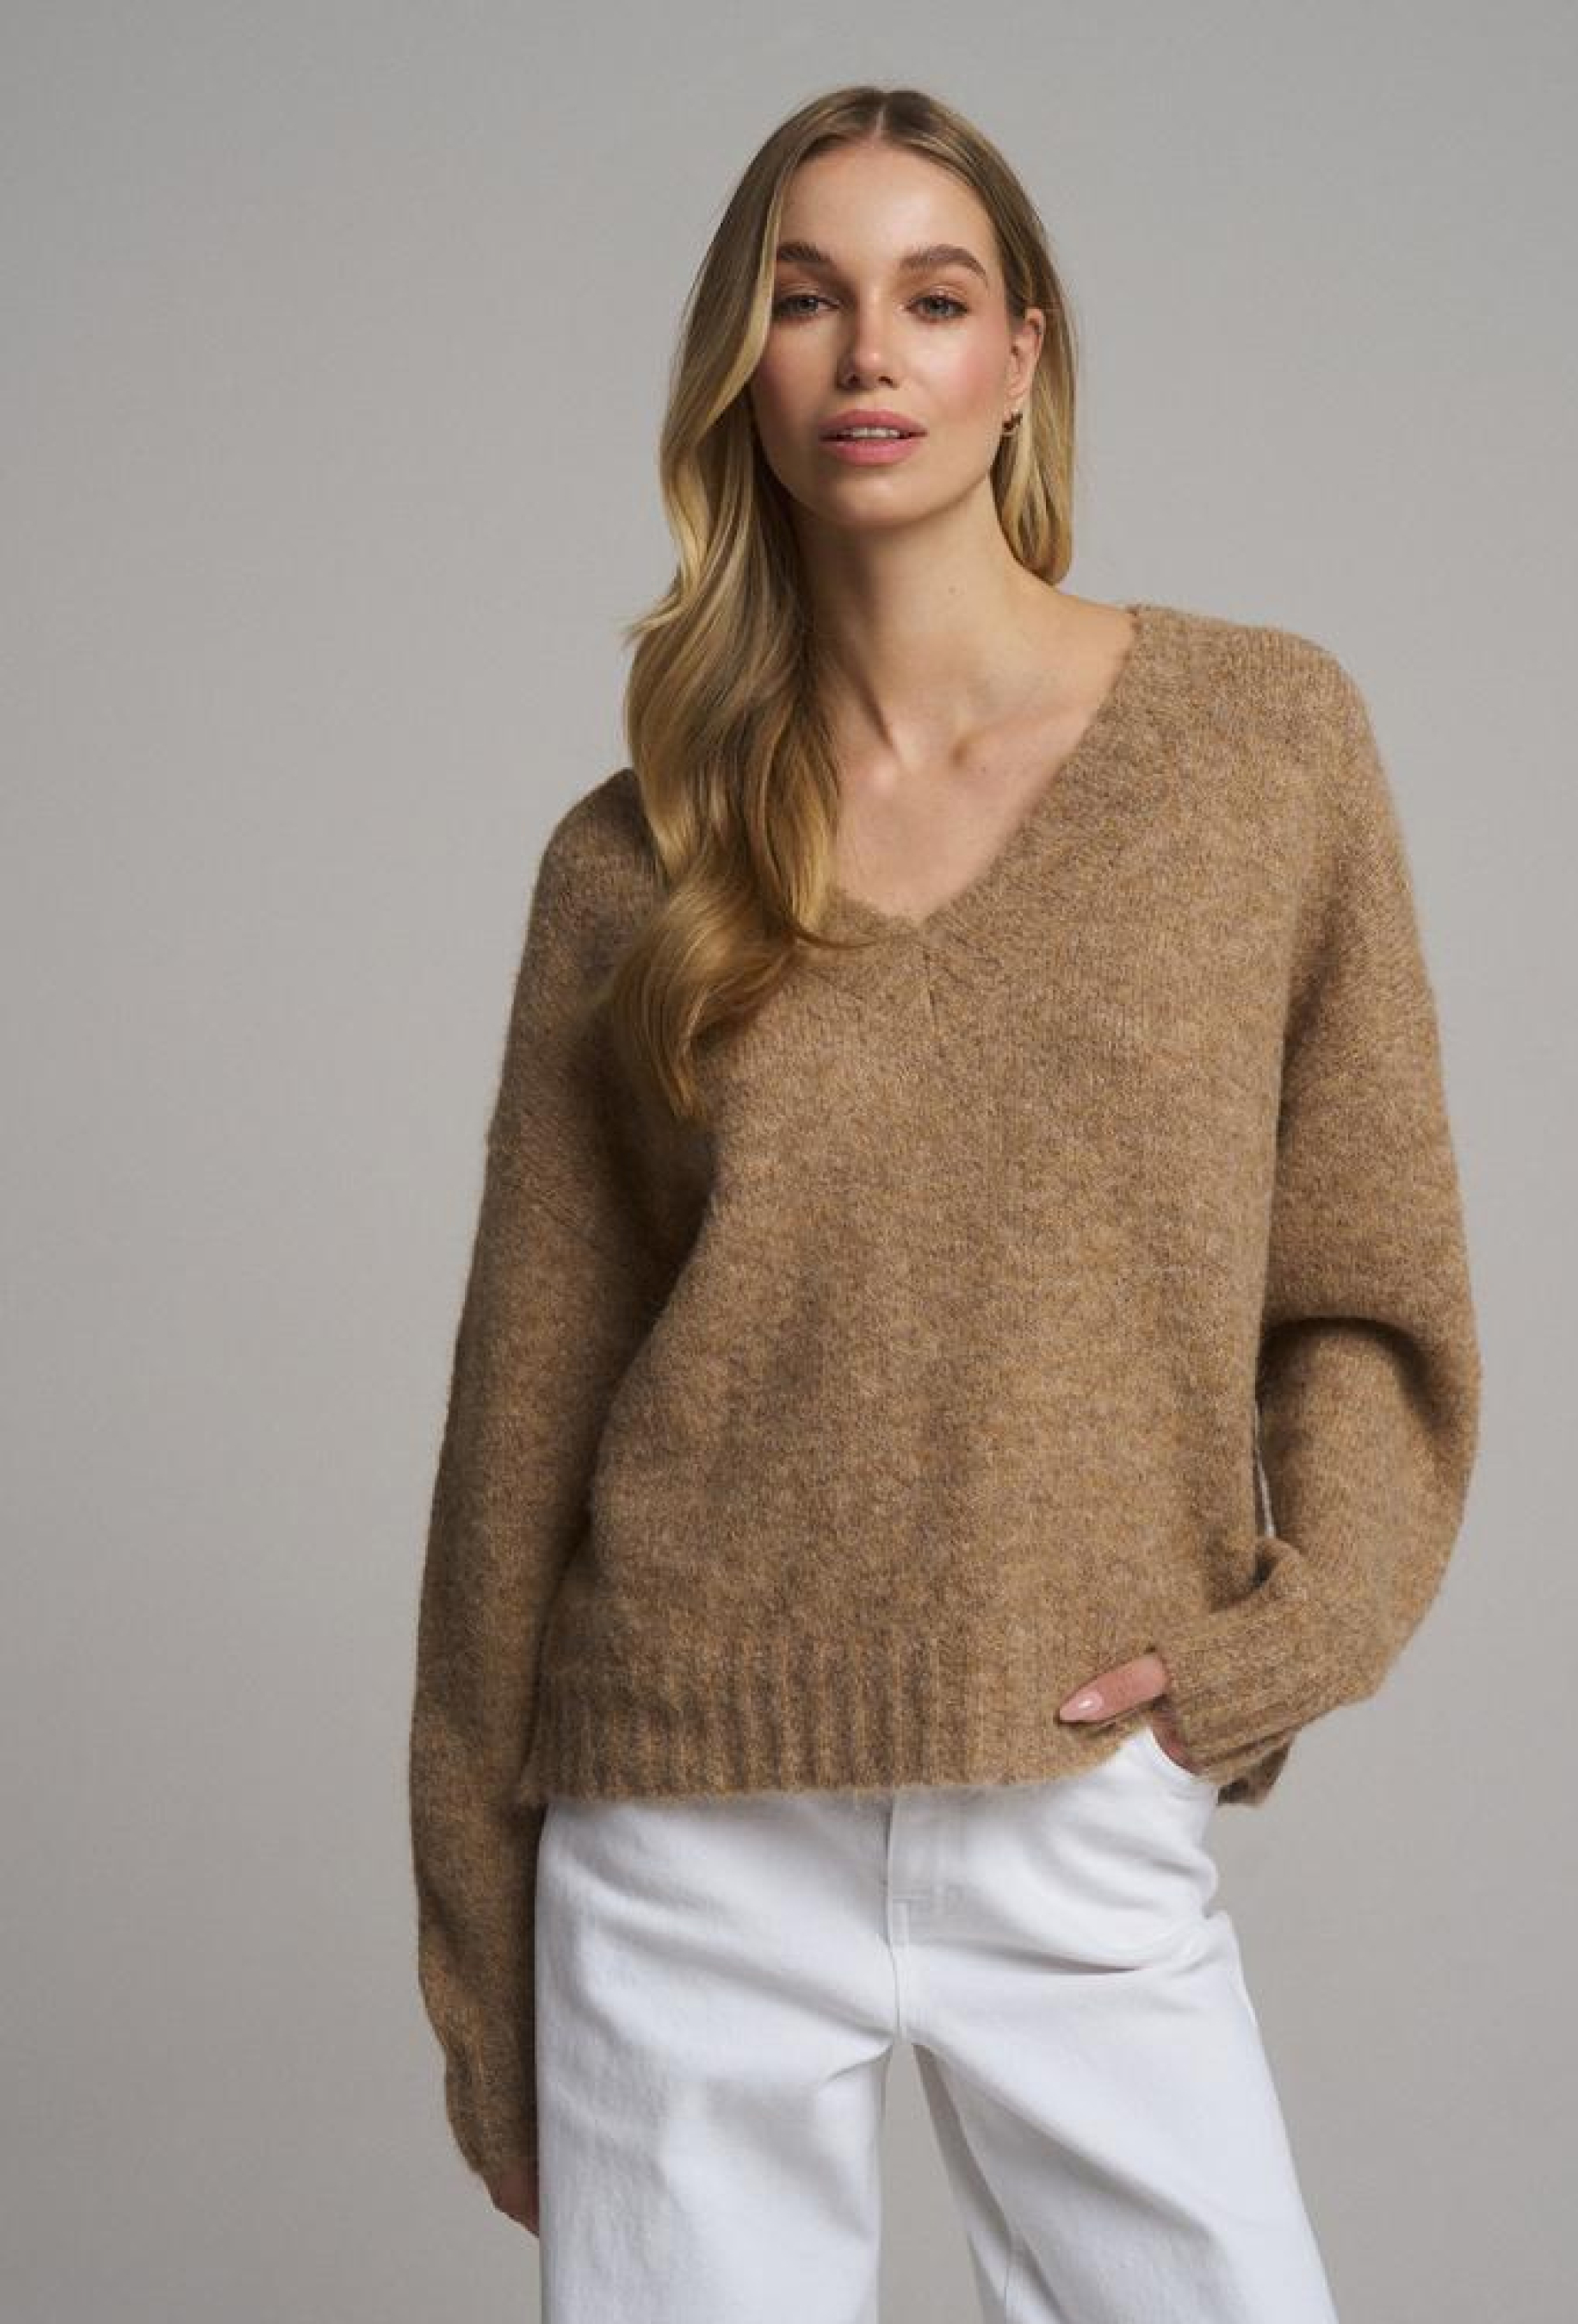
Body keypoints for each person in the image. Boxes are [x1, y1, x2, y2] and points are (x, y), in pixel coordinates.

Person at [408, 83, 1482, 2324]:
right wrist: (484, 1970)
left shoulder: (1259, 748)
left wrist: (1284, 1641)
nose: (867, 353)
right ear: (744, 369)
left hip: (1075, 1783)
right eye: (804, 300)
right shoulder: (632, 860)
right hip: (680, 1823)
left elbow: (1365, 1293)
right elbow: (520, 1433)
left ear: (1021, 353)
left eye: (931, 295)